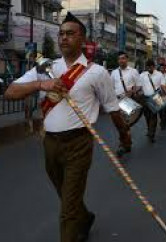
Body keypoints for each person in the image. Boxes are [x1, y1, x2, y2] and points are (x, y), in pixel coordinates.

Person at [4, 12, 129, 242]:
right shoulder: (46, 68)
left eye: (70, 34)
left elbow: (113, 109)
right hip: (50, 143)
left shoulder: (97, 73)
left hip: (79, 144)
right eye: (61, 34)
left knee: (67, 212)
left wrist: (125, 135)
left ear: (83, 40)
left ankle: (75, 224)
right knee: (66, 195)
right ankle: (86, 217)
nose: (63, 38)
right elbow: (10, 92)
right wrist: (42, 83)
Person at [110, 51, 140, 156]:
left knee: (125, 125)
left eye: (123, 58)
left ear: (127, 59)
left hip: (129, 101)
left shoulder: (133, 71)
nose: (121, 60)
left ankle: (122, 145)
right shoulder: (114, 73)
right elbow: (111, 88)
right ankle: (127, 143)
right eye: (119, 59)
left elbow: (139, 86)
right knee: (121, 125)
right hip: (117, 102)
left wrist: (131, 92)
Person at [137, 59, 164, 143]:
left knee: (154, 116)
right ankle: (149, 129)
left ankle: (152, 134)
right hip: (145, 98)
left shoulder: (159, 74)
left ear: (154, 67)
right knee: (147, 116)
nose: (149, 68)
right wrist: (135, 91)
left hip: (157, 97)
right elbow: (139, 86)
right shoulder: (142, 75)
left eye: (151, 67)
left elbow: (163, 85)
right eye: (147, 67)